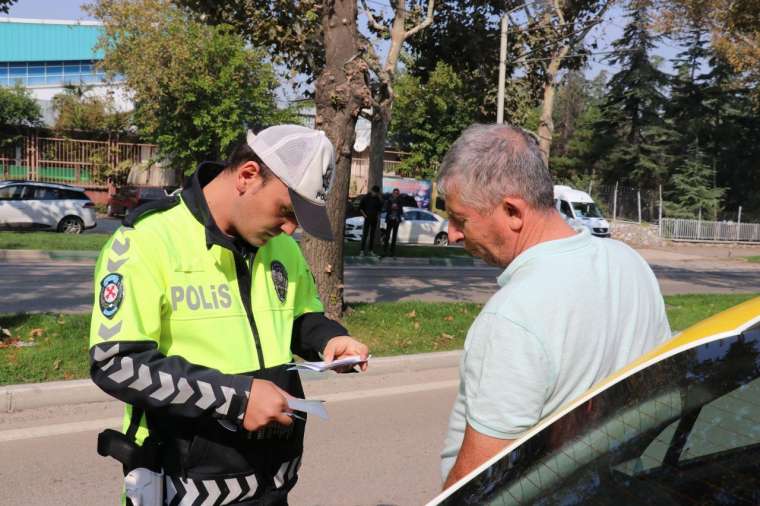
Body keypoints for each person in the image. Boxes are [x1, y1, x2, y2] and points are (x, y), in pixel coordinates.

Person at [89, 124, 369, 506]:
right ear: (247, 175)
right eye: (286, 211)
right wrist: (237, 399)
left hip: (271, 483)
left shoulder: (280, 246)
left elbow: (300, 316)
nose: (289, 228)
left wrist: (329, 340)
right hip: (185, 488)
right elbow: (116, 362)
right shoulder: (145, 241)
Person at [438, 123, 671, 489]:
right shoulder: (629, 262)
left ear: (513, 211)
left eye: (459, 218)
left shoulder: (513, 316)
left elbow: (478, 481)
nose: (451, 232)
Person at [359, 185, 383, 256]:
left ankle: (370, 250)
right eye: (375, 192)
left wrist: (378, 217)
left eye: (377, 193)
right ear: (372, 191)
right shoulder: (366, 197)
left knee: (372, 235)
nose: (375, 194)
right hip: (367, 218)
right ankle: (362, 250)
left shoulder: (377, 199)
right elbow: (360, 208)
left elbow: (379, 209)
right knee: (365, 234)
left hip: (374, 219)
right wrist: (365, 215)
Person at [382, 188, 404, 257]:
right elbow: (386, 209)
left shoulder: (400, 201)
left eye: (397, 193)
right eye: (395, 193)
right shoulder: (389, 200)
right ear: (393, 193)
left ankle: (392, 252)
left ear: (398, 194)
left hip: (396, 220)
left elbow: (401, 212)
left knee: (394, 237)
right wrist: (391, 207)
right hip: (389, 220)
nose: (396, 194)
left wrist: (397, 208)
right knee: (387, 236)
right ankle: (384, 251)